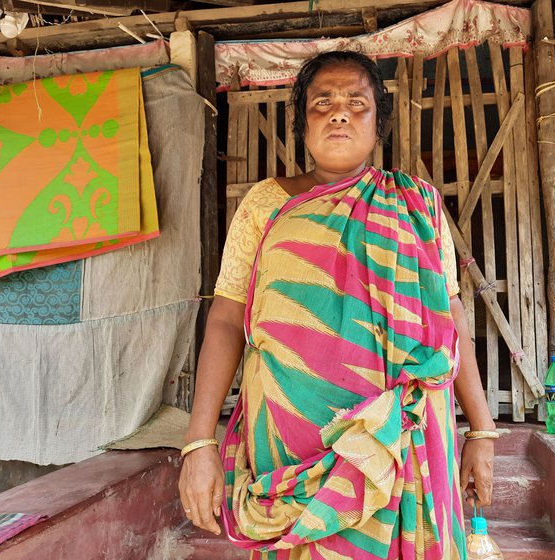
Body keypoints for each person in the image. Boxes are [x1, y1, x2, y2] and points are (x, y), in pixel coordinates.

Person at [179, 50, 497, 560]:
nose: (339, 113)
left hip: (395, 436)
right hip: (291, 442)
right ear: (301, 123)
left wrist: (482, 430)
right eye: (321, 103)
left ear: (379, 123)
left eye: (356, 103)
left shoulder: (417, 204)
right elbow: (224, 320)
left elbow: (449, 320)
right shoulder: (265, 204)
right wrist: (199, 443)